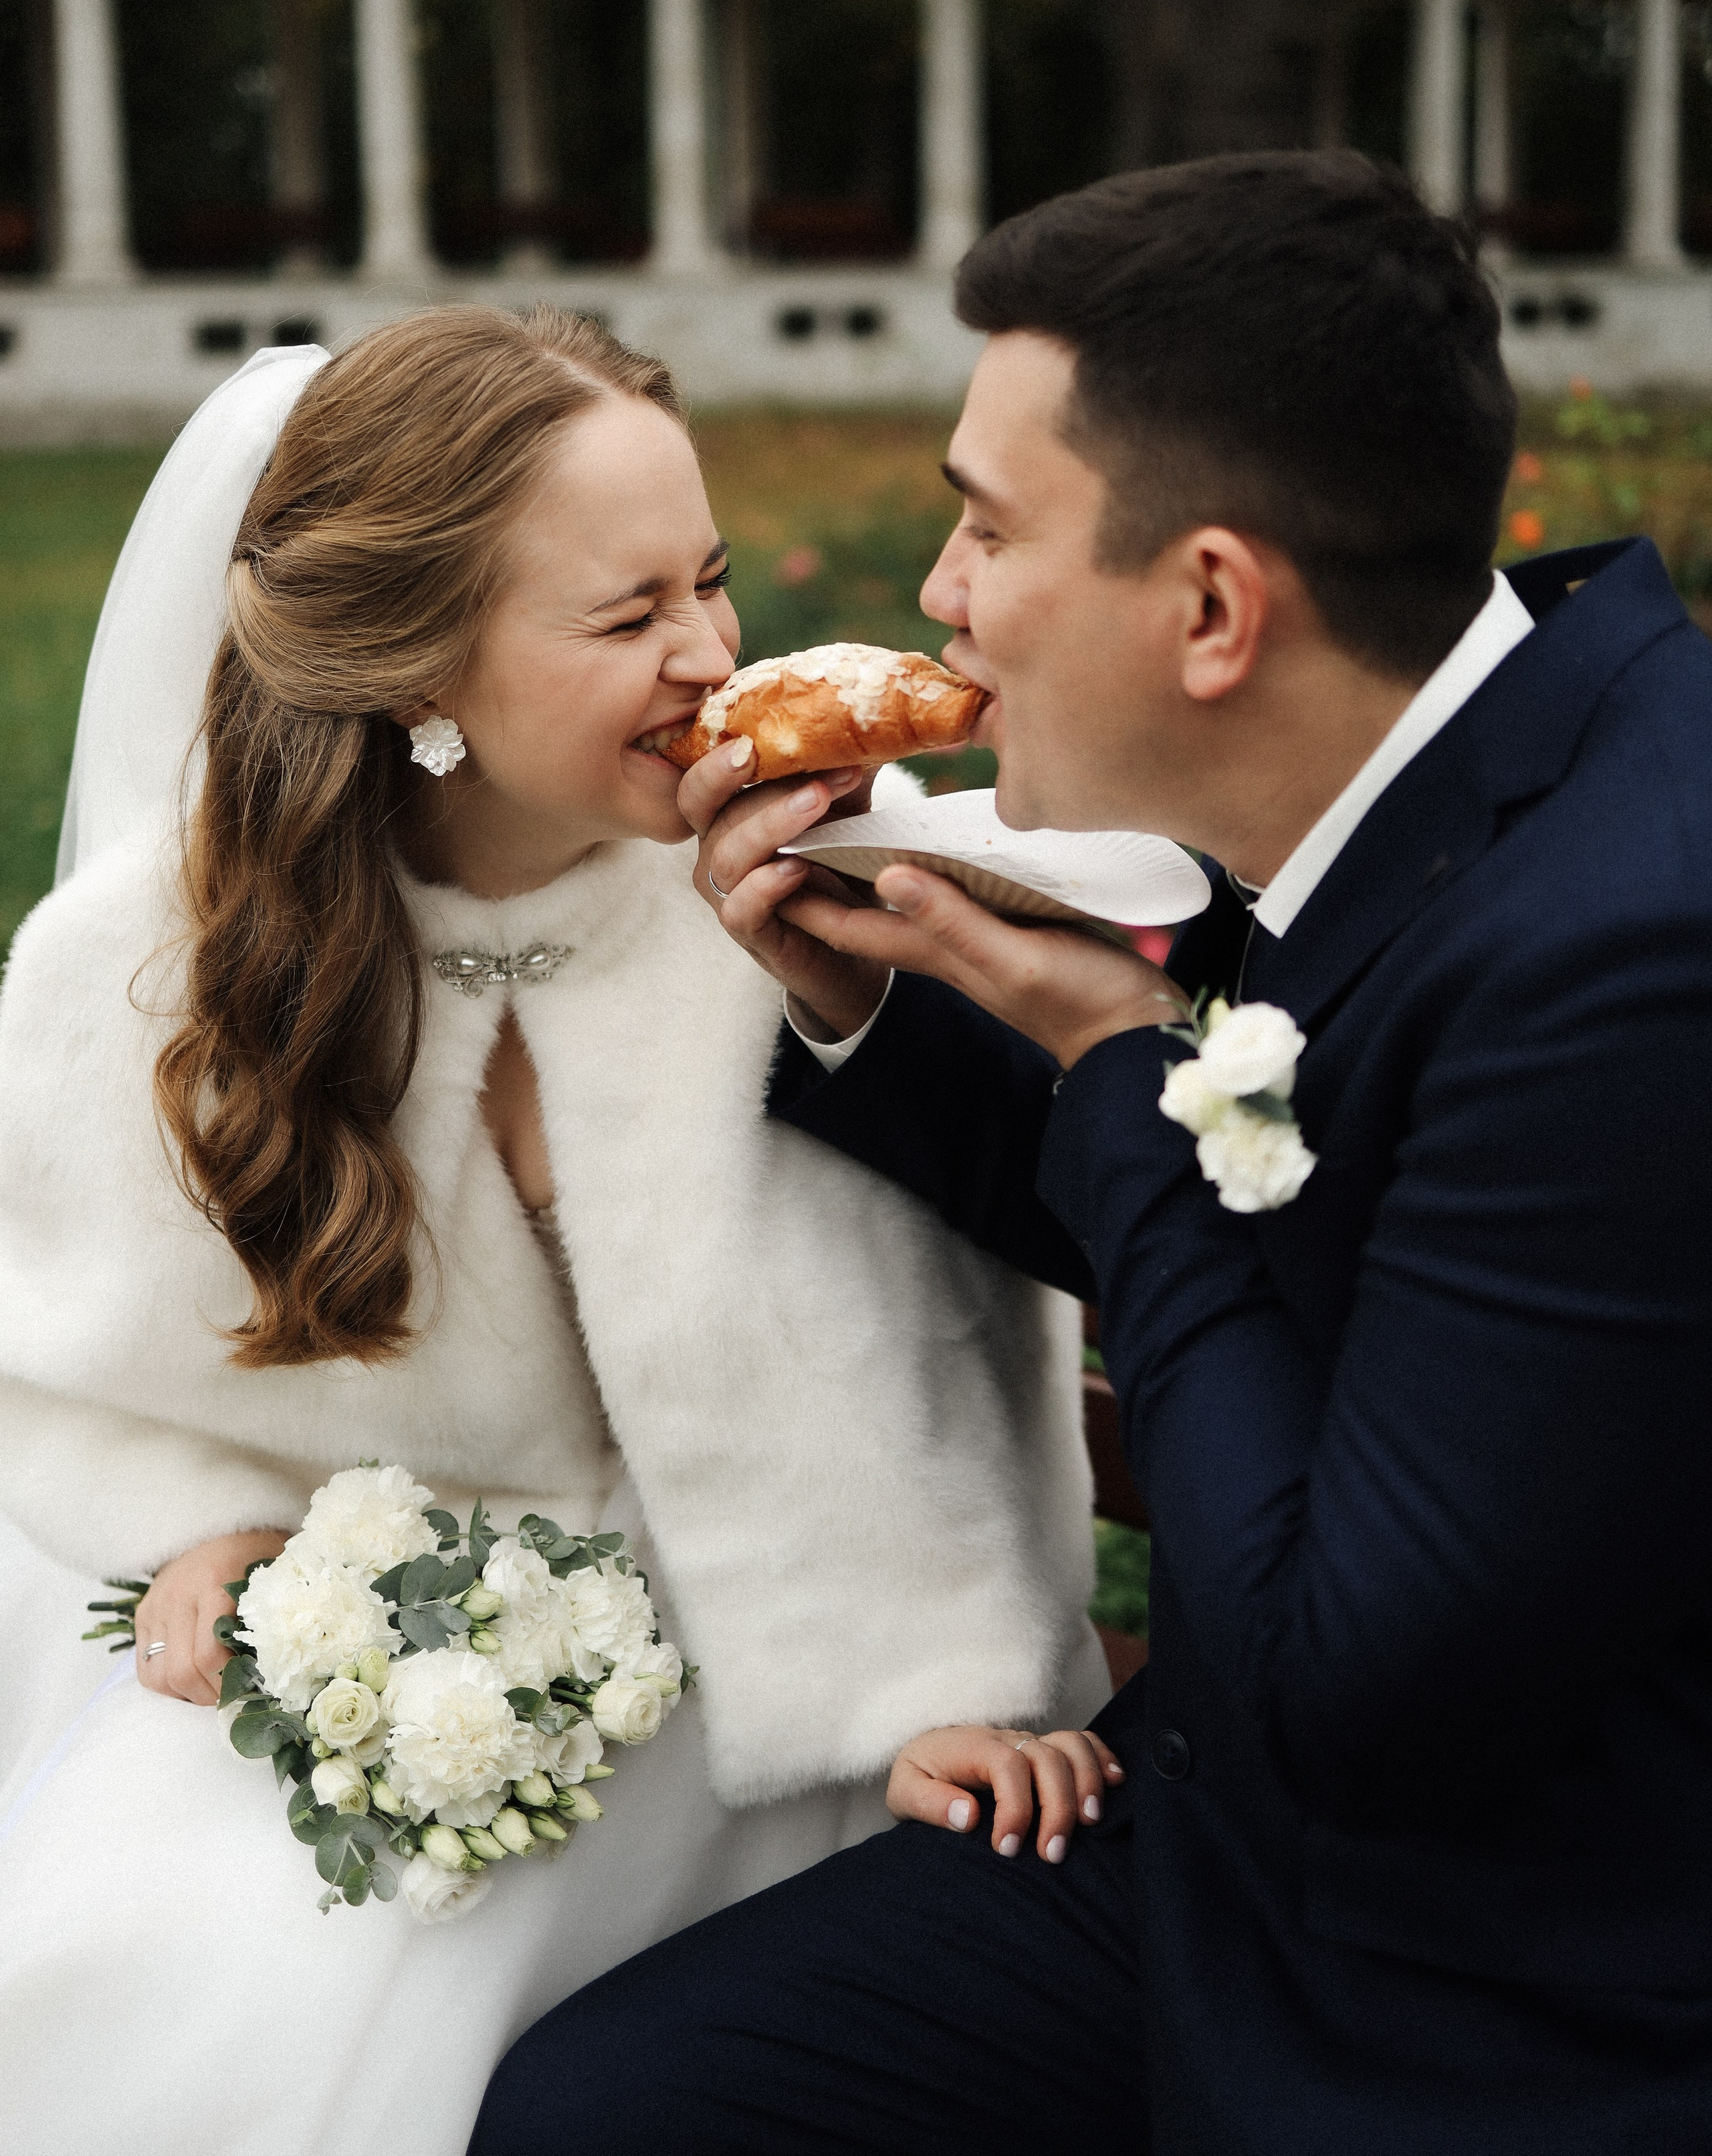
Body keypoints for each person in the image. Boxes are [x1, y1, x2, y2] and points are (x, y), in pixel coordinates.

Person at [476, 155, 1712, 2153]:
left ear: (1214, 603)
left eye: (985, 525)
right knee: (607, 2113)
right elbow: (1254, 1225)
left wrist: (1124, 1068)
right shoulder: (1425, 755)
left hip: (1497, 1963)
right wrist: (873, 1000)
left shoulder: (1635, 965)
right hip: (1219, 1823)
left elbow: (1347, 1685)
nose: (940, 595)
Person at [0, 304, 1108, 2156]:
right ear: (417, 666)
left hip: (793, 1674)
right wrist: (193, 1532)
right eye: (627, 616)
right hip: (399, 1677)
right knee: (169, 1975)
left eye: (714, 582)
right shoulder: (137, 974)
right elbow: (72, 1364)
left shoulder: (825, 872)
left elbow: (939, 1343)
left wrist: (949, 1691)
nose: (711, 657)